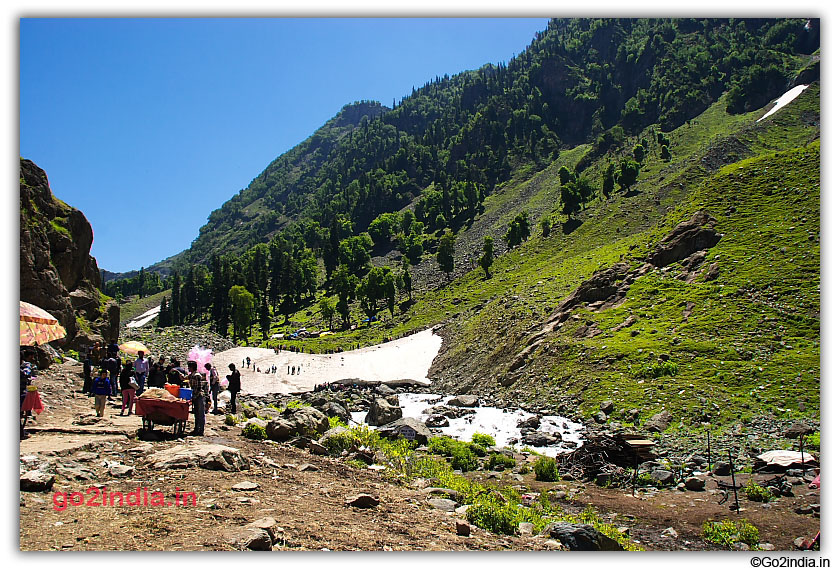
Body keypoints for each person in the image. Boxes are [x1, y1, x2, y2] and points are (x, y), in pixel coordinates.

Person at [186, 361, 208, 436]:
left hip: (199, 396)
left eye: (189, 367)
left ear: (192, 367)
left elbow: (198, 388)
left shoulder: (197, 375)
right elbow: (184, 378)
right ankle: (196, 429)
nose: (188, 368)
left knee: (200, 414)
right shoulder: (192, 375)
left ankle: (200, 430)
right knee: (196, 413)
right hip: (195, 396)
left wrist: (194, 396)